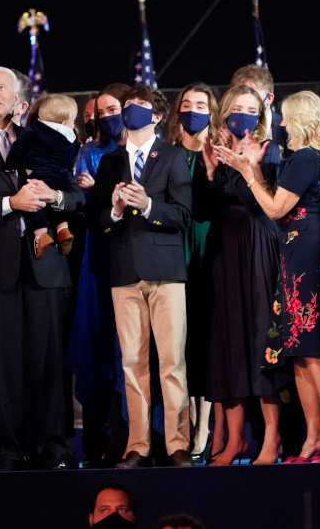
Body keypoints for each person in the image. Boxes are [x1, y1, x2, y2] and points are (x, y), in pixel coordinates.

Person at [0, 66, 85, 471]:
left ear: (18, 96)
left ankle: (53, 445)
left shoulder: (42, 135)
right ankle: (8, 447)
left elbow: (75, 195)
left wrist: (54, 195)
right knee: (0, 362)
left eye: (1, 87)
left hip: (46, 266)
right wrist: (12, 204)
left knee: (48, 358)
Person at [216, 90, 320, 462]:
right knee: (298, 352)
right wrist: (253, 169)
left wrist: (246, 172)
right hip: (294, 250)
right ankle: (313, 435)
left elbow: (274, 208)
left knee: (313, 351)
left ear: (302, 120)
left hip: (306, 250)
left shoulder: (305, 157)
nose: (282, 124)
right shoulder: (302, 158)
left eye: (287, 117)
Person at [92, 84, 193, 468]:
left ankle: (177, 444)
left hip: (166, 274)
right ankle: (138, 445)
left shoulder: (173, 156)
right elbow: (98, 220)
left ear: (156, 116)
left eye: (140, 106)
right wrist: (116, 211)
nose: (131, 111)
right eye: (128, 105)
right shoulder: (110, 162)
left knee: (172, 362)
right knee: (132, 364)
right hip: (124, 273)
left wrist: (149, 205)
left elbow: (182, 215)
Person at [195, 86, 283, 466]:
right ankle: (234, 441)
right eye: (237, 109)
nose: (243, 116)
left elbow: (268, 204)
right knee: (227, 343)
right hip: (222, 250)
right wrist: (211, 173)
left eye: (251, 110)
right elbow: (201, 211)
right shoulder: (212, 150)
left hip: (257, 244)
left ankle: (273, 439)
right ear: (225, 113)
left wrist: (249, 168)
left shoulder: (268, 150)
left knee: (260, 338)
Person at [67, 83, 130, 468]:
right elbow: (82, 208)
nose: (105, 119)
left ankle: (135, 435)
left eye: (112, 111)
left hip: (137, 255)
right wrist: (91, 196)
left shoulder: (144, 151)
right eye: (99, 114)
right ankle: (98, 439)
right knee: (97, 342)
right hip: (98, 258)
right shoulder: (88, 153)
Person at [166, 82, 219, 461]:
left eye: (201, 104)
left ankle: (204, 425)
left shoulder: (217, 154)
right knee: (176, 346)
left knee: (205, 339)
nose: (193, 110)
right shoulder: (165, 155)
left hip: (209, 249)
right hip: (172, 252)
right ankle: (179, 428)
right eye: (187, 104)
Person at [5, 94, 79, 257]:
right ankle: (63, 229)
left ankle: (42, 235)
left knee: (35, 202)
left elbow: (78, 199)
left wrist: (9, 165)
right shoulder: (69, 138)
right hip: (61, 176)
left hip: (39, 175)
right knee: (49, 203)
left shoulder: (31, 133)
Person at [230, 64, 288, 155]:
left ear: (269, 98)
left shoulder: (287, 130)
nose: (246, 100)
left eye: (253, 94)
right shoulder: (225, 128)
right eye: (239, 94)